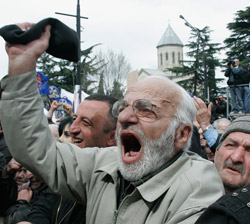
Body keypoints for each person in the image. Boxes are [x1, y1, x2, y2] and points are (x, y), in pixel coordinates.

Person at [0, 22, 224, 223]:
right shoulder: (103, 164)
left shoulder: (199, 186)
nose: (125, 117)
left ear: (182, 134)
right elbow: (35, 151)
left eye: (146, 110)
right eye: (123, 107)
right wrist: (21, 65)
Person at [26, 94, 117, 224]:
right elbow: (42, 208)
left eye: (86, 123)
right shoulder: (66, 169)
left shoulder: (114, 189)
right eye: (74, 118)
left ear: (112, 137)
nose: (73, 128)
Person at [195, 116, 250, 223]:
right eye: (231, 145)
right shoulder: (183, 193)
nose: (236, 157)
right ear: (216, 152)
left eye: (249, 151)